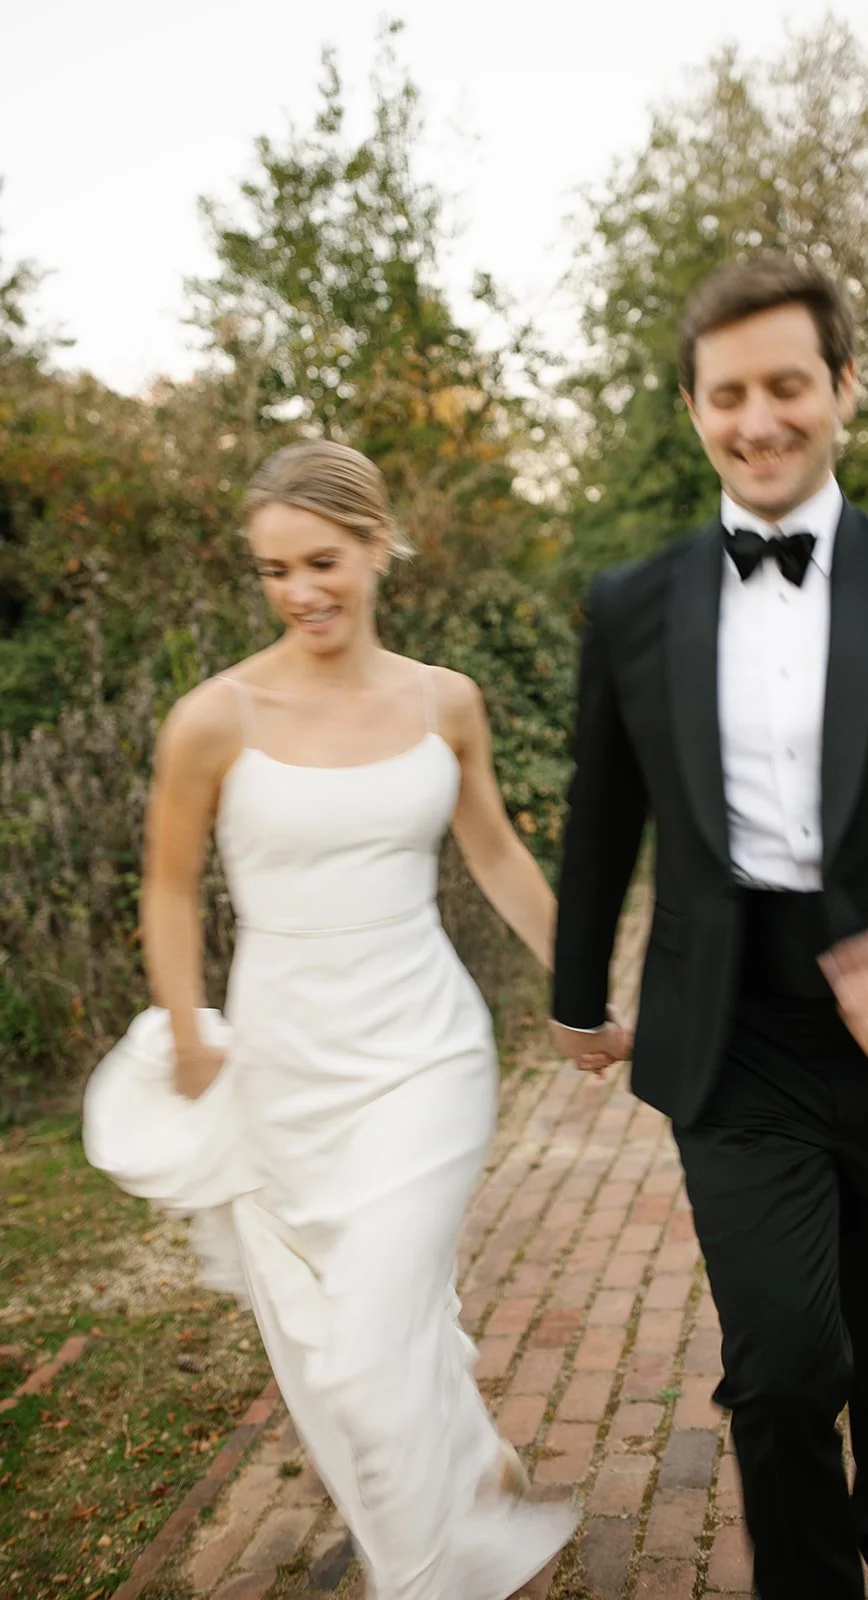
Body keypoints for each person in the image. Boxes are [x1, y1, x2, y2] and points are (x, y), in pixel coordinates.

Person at [549, 252, 868, 1600]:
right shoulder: (629, 604)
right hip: (730, 1037)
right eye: (727, 394)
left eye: (786, 384)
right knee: (783, 1367)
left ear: (840, 386)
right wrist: (571, 989)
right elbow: (602, 815)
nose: (757, 418)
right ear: (690, 409)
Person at [83, 440, 590, 1600]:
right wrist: (186, 1024)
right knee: (339, 1344)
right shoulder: (212, 718)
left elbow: (498, 853)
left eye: (322, 560)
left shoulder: (442, 700)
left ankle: (426, 1573)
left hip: (425, 1052)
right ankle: (471, 1467)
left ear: (376, 546)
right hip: (283, 1067)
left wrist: (583, 985)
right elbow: (164, 886)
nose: (301, 590)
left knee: (372, 1342)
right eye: (273, 570)